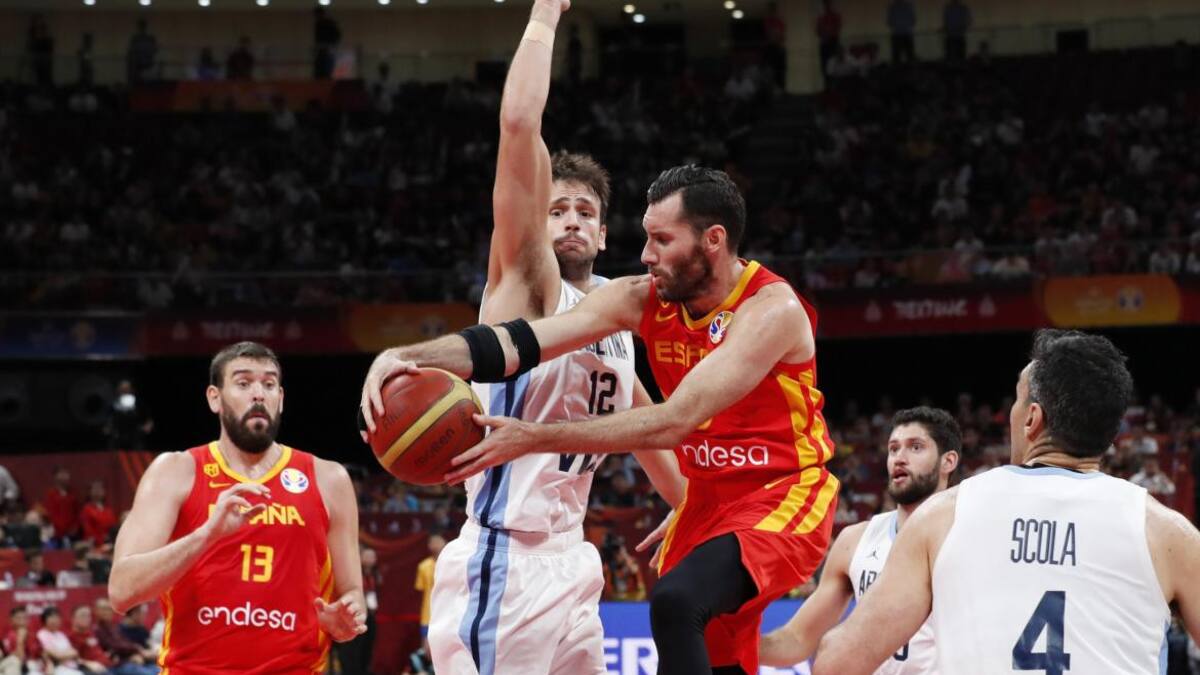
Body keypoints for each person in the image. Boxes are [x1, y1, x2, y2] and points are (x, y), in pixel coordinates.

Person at [361, 164, 838, 674]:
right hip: (707, 501)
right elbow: (520, 342)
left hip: (781, 491)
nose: (645, 254)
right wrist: (411, 355)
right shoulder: (639, 298)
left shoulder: (770, 309)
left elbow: (674, 420)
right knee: (721, 657)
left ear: (713, 240)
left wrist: (534, 437)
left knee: (676, 603)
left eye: (661, 240)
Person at [362, 1, 683, 672]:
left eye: (585, 212)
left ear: (603, 234)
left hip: (574, 560)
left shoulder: (617, 315)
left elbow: (650, 426)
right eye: (556, 208)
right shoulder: (528, 278)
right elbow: (516, 123)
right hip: (503, 560)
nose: (569, 220)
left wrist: (693, 507)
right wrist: (545, 12)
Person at [813, 330, 1200, 673]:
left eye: (1016, 401)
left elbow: (839, 662)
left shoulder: (941, 516)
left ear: (1032, 419)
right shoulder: (1169, 533)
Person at [109, 341, 366, 673]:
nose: (258, 394)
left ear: (281, 399)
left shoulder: (329, 478)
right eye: (244, 383)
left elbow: (352, 594)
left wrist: (345, 620)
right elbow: (121, 590)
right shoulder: (176, 471)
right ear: (214, 398)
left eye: (269, 384)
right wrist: (208, 533)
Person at [760, 406, 961, 671]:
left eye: (915, 447)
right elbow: (796, 640)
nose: (899, 458)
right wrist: (721, 642)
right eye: (893, 448)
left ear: (948, 461)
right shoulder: (854, 540)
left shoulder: (966, 535)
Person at [414, 533, 444, 641]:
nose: (435, 545)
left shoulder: (450, 564)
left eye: (438, 542)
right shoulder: (423, 566)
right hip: (428, 614)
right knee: (427, 648)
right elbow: (420, 590)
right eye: (433, 542)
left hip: (446, 613)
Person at [81, 481, 117, 549]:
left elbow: (113, 525)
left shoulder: (108, 509)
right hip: (94, 544)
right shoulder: (86, 509)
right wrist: (100, 539)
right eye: (95, 489)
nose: (97, 491)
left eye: (100, 489)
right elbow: (87, 529)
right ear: (90, 492)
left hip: (109, 543)